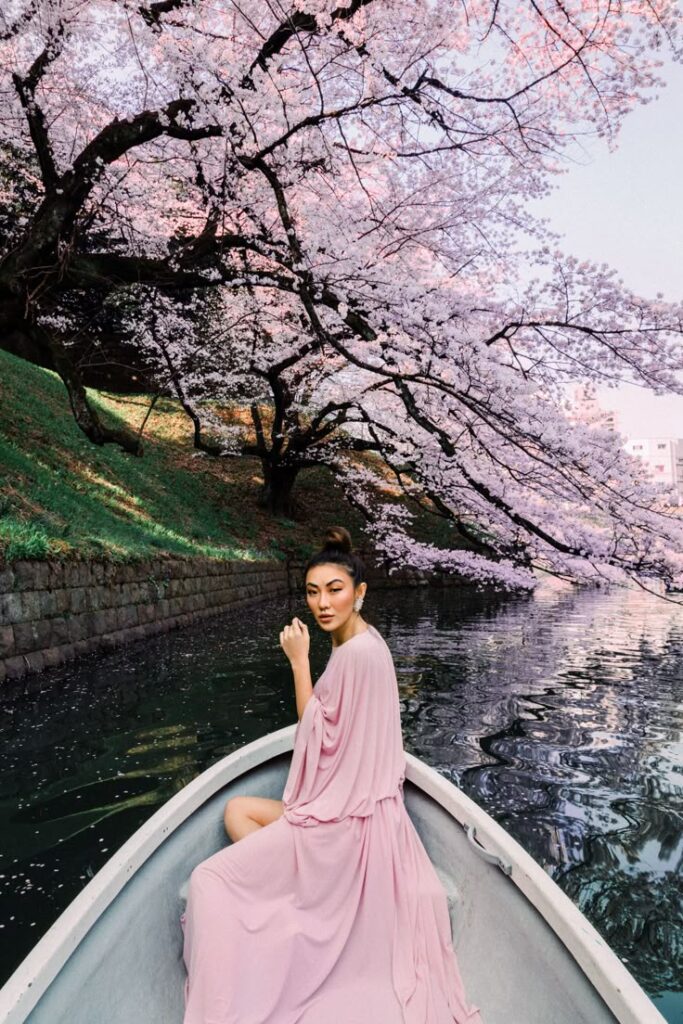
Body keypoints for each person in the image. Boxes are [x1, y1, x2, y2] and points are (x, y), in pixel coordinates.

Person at [180, 525, 484, 1024]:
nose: (322, 603)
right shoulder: (361, 642)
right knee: (237, 810)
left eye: (335, 590)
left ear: (359, 594)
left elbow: (314, 735)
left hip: (346, 824)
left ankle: (287, 916)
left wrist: (299, 663)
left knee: (208, 878)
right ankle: (296, 898)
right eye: (312, 592)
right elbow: (332, 730)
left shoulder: (357, 657)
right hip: (357, 813)